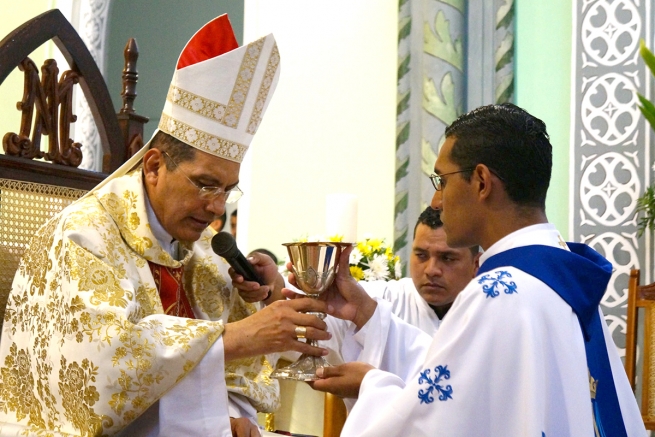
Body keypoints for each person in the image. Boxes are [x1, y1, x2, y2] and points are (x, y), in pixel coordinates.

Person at [0, 15, 331, 437]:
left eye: (228, 190)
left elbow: (244, 369)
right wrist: (234, 339)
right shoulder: (82, 235)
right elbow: (99, 373)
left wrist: (262, 303)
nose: (216, 208)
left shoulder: (207, 249)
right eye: (205, 184)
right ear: (154, 166)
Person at [296, 104, 646, 436]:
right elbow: (464, 379)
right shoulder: (563, 278)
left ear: (481, 181)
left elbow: (434, 423)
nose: (436, 201)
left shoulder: (497, 292)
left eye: (442, 181)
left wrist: (370, 384)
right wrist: (368, 315)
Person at [325, 206, 479, 367]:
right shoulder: (380, 298)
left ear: (476, 264)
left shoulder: (489, 311)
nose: (431, 270)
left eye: (447, 258)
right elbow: (327, 324)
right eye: (421, 255)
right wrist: (301, 324)